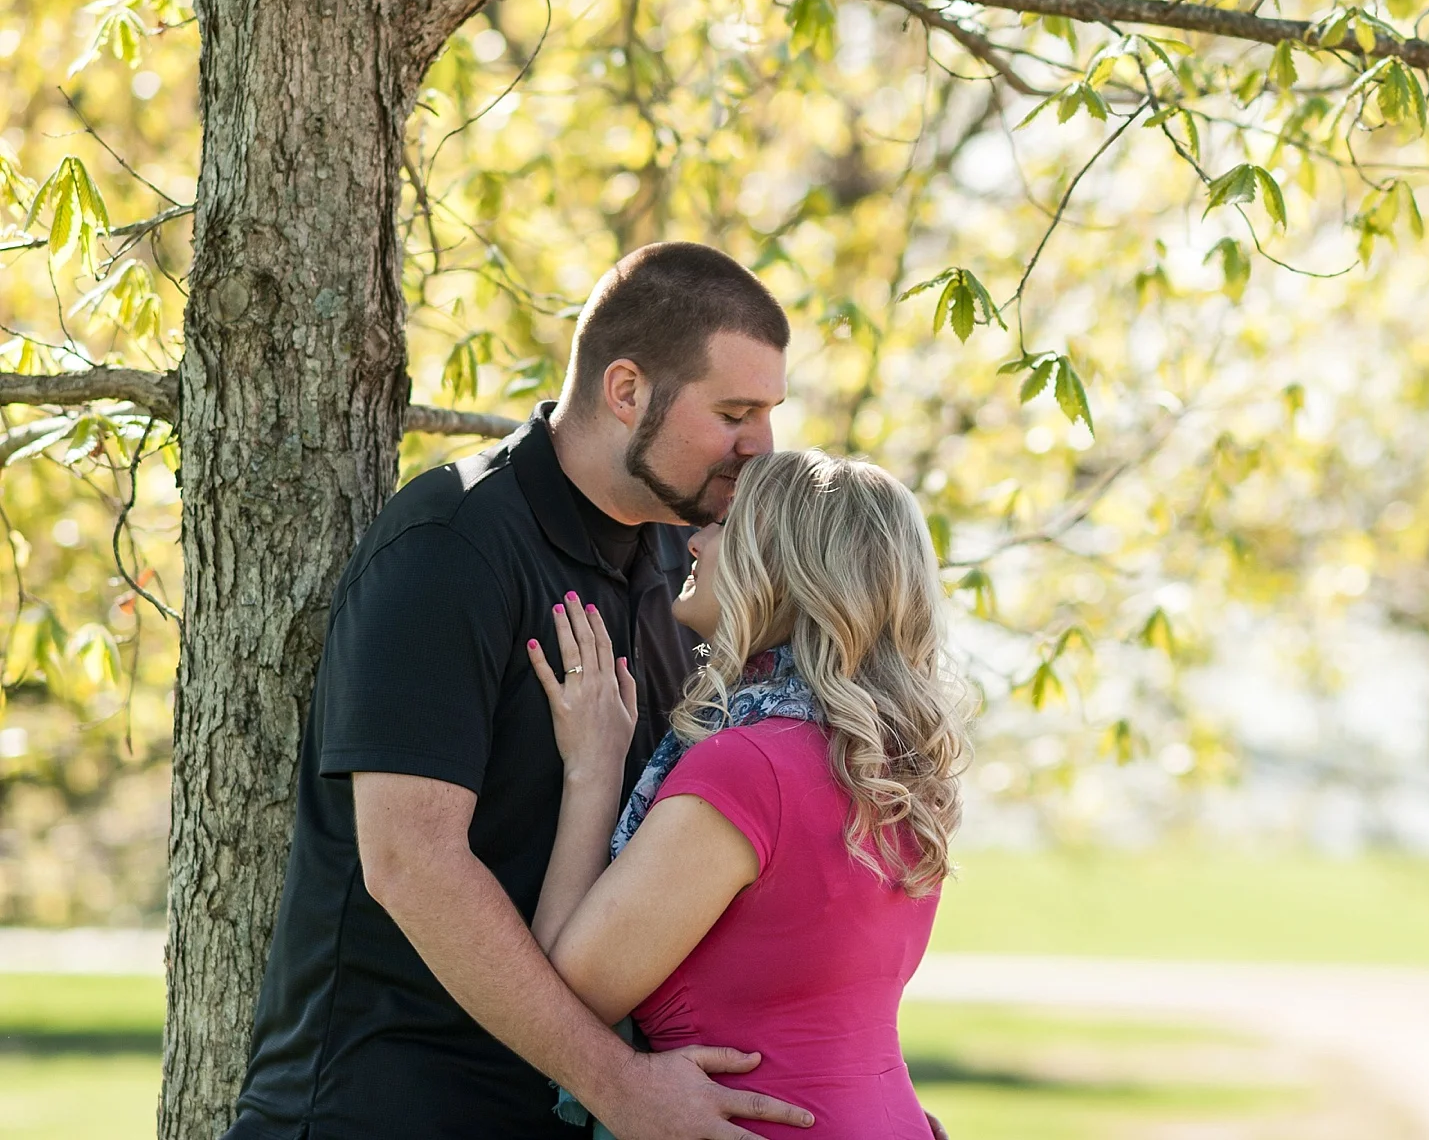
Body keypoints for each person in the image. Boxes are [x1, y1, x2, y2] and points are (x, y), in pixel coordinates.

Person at [223, 242, 816, 1140]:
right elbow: (411, 864)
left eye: (768, 413)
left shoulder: (683, 566)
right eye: (733, 411)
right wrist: (618, 1084)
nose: (759, 447)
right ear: (626, 391)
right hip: (384, 1110)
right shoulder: (451, 544)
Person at [521, 449, 971, 1139]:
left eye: (723, 523)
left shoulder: (748, 766)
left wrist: (594, 768)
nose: (693, 539)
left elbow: (567, 994)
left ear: (785, 564)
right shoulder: (883, 766)